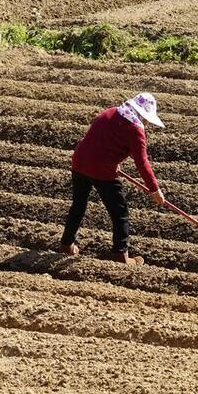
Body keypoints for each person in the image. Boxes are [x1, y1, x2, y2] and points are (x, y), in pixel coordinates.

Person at [59, 92, 167, 266]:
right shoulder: (135, 130)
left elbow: (98, 140)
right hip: (101, 171)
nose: (147, 122)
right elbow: (142, 162)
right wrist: (155, 189)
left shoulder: (110, 112)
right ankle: (120, 254)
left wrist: (112, 160)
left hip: (79, 162)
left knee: (78, 205)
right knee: (120, 213)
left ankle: (66, 244)